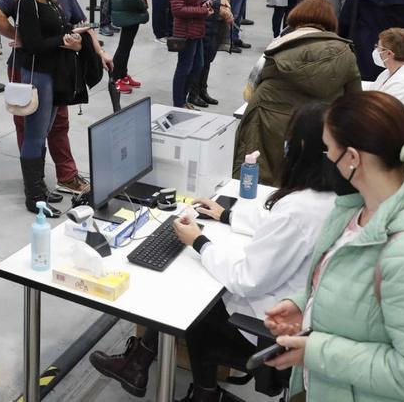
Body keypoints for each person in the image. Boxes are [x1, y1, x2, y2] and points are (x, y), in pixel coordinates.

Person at [90, 103, 336, 401]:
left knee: (188, 295)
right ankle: (141, 364)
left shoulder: (299, 209)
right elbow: (278, 225)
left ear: (299, 147)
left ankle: (182, 384)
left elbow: (246, 278)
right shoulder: (327, 197)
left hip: (264, 326)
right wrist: (226, 216)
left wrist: (199, 242)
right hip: (294, 311)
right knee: (193, 281)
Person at [264, 91, 404, 402]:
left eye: (327, 150)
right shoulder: (358, 208)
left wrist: (316, 351)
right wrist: (306, 303)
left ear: (352, 158)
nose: (326, 159)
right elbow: (359, 282)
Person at [0, 0, 110, 198]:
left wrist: (95, 50)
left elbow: (82, 25)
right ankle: (36, 185)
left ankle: (62, 177)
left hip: (58, 70)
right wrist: (20, 37)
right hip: (30, 69)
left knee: (58, 124)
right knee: (30, 127)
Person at [234, 0, 361, 185]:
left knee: (259, 179)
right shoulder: (345, 52)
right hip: (318, 127)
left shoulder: (277, 46)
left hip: (268, 120)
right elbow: (355, 101)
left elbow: (249, 92)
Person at [12, 0, 81, 217]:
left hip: (54, 73)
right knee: (35, 135)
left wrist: (72, 36)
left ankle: (39, 187)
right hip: (38, 74)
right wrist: (64, 41)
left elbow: (60, 27)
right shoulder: (27, 0)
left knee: (46, 132)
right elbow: (33, 44)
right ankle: (35, 196)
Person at [188, 0, 232, 107]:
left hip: (217, 20)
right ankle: (193, 93)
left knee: (209, 59)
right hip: (205, 20)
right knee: (200, 60)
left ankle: (202, 90)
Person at [167, 0, 212, 109]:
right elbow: (178, 9)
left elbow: (190, 2)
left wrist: (203, 3)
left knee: (197, 65)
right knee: (184, 68)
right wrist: (202, 11)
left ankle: (183, 99)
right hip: (186, 31)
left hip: (196, 29)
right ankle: (178, 103)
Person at [110, 0, 148, 94]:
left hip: (124, 12)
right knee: (124, 47)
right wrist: (142, 3)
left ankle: (123, 74)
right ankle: (115, 78)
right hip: (128, 14)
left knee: (126, 45)